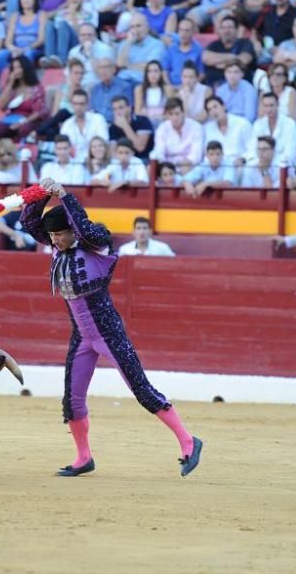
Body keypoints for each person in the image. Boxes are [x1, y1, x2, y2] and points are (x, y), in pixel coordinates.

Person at [17, 178, 203, 477]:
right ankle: (83, 457)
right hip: (82, 337)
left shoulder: (97, 244)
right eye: (51, 236)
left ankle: (188, 441)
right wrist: (42, 194)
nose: (54, 240)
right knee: (72, 400)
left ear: (72, 232)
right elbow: (29, 222)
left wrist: (65, 195)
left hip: (108, 333)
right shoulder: (57, 247)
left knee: (141, 390)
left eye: (60, 235)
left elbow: (85, 228)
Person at [0, 55, 47, 142]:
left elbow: (38, 113)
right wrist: (10, 82)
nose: (17, 71)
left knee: (24, 129)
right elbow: (1, 106)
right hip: (11, 119)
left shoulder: (36, 88)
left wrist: (21, 122)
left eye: (19, 67)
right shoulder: (12, 88)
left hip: (29, 120)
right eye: (14, 68)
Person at [0, 0, 45, 74]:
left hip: (33, 49)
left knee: (28, 54)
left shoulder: (41, 15)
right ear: (20, 0)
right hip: (17, 49)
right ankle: (3, 80)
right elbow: (8, 41)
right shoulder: (15, 16)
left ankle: (27, 81)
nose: (26, 0)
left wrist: (25, 49)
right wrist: (13, 49)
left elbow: (41, 40)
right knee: (0, 55)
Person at [150, 96, 203, 168]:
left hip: (189, 165)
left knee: (186, 167)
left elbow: (196, 154)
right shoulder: (162, 128)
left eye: (177, 113)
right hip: (168, 166)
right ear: (166, 115)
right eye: (170, 114)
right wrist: (167, 166)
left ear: (183, 113)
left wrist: (183, 164)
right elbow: (159, 151)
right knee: (151, 167)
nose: (174, 118)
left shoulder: (196, 127)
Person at [202, 15, 255, 87]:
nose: (226, 31)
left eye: (230, 27)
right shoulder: (214, 45)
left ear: (236, 30)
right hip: (214, 87)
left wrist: (219, 64)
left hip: (240, 87)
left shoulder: (245, 43)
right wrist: (232, 57)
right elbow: (206, 58)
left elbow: (244, 60)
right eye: (223, 28)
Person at [116, 13, 165, 85]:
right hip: (122, 80)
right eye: (132, 27)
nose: (135, 30)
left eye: (138, 26)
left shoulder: (157, 44)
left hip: (141, 82)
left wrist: (128, 65)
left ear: (147, 27)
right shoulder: (126, 43)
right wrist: (129, 42)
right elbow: (120, 64)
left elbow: (150, 67)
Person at [252, 92, 296, 169]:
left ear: (278, 105)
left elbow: (291, 152)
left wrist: (270, 162)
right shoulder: (258, 124)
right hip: (262, 163)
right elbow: (253, 148)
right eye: (266, 106)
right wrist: (262, 161)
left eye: (271, 105)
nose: (269, 109)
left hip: (283, 165)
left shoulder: (290, 124)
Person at [60, 88, 109, 160]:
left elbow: (103, 144)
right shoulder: (66, 125)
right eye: (75, 104)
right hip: (74, 165)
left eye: (81, 104)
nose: (78, 107)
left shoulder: (98, 119)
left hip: (96, 161)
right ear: (71, 105)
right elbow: (63, 148)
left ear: (87, 104)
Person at [203, 95, 251, 164]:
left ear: (223, 106)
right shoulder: (207, 128)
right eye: (210, 110)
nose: (213, 111)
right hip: (217, 166)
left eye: (215, 107)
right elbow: (206, 153)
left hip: (239, 164)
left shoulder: (242, 124)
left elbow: (252, 148)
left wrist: (242, 159)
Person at [108, 95, 153, 161]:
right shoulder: (113, 127)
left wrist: (125, 126)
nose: (118, 112)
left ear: (129, 108)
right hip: (122, 161)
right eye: (114, 109)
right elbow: (113, 152)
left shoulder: (143, 121)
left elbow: (140, 147)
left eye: (121, 108)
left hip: (143, 160)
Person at [163, 18, 202, 86]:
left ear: (193, 32)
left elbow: (202, 74)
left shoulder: (199, 50)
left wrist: (189, 86)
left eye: (187, 31)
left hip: (191, 86)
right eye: (181, 30)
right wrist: (169, 86)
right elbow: (164, 71)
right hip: (172, 86)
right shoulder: (171, 49)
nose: (183, 34)